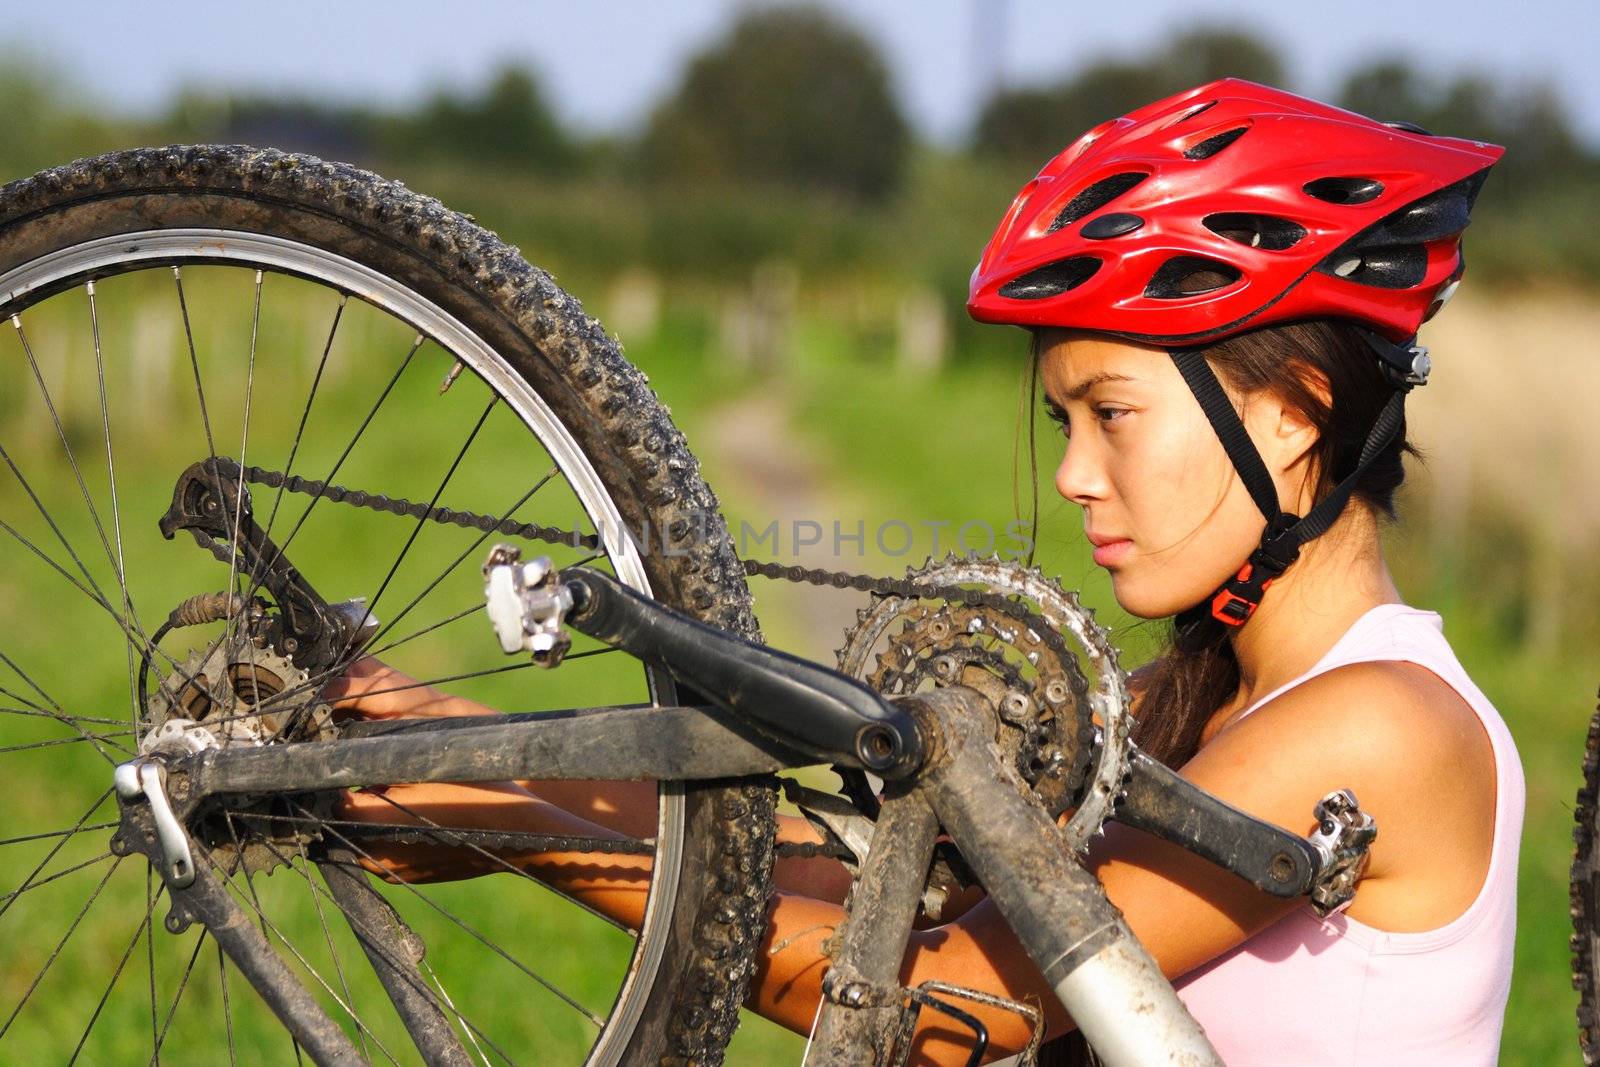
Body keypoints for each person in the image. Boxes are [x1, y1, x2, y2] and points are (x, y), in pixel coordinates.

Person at [328, 79, 1524, 1065]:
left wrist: (525, 827)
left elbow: (950, 997)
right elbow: (913, 900)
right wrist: (481, 756)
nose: (1074, 476)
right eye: (1064, 424)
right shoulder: (1196, 700)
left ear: (1290, 420)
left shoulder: (1383, 725)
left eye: (1111, 412)